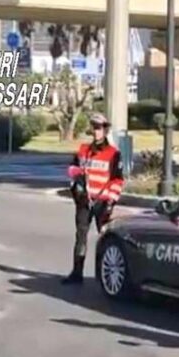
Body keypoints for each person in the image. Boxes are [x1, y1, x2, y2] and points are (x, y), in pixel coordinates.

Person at [61, 113, 124, 285]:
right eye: (94, 128)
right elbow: (72, 168)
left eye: (99, 128)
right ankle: (77, 273)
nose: (96, 131)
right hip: (84, 201)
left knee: (105, 239)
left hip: (102, 202)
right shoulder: (83, 150)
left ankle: (104, 276)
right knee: (80, 236)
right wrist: (77, 176)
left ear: (105, 130)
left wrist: (111, 201)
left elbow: (117, 180)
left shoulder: (113, 153)